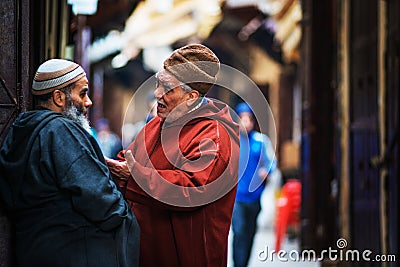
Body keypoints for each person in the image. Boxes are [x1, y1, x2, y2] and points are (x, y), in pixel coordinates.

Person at [106, 44, 240, 267]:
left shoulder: (214, 135)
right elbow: (127, 160)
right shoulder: (156, 125)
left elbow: (192, 188)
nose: (157, 93)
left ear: (191, 96)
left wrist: (135, 176)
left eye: (167, 87)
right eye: (158, 83)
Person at [0, 59, 140, 267]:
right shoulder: (61, 131)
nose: (89, 102)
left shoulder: (23, 129)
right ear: (58, 98)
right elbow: (99, 198)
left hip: (35, 251)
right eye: (82, 93)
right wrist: (123, 212)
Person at [231, 102, 277, 267]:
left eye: (249, 119)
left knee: (250, 233)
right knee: (239, 231)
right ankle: (238, 264)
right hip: (236, 196)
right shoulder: (232, 141)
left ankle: (244, 263)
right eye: (242, 119)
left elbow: (272, 162)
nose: (246, 123)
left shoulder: (261, 141)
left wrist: (266, 170)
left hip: (255, 196)